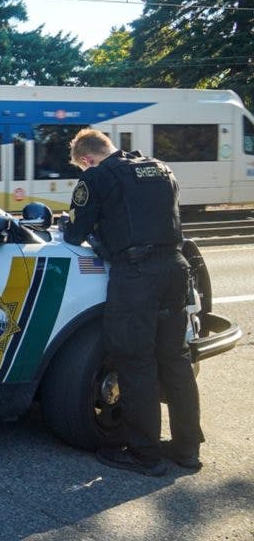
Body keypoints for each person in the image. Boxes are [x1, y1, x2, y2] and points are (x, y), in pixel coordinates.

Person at [60, 128, 203, 477]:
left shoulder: (98, 176)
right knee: (176, 359)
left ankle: (144, 455)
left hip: (137, 275)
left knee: (135, 361)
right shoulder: (160, 167)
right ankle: (187, 450)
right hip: (176, 269)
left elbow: (75, 232)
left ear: (86, 159)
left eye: (82, 167)